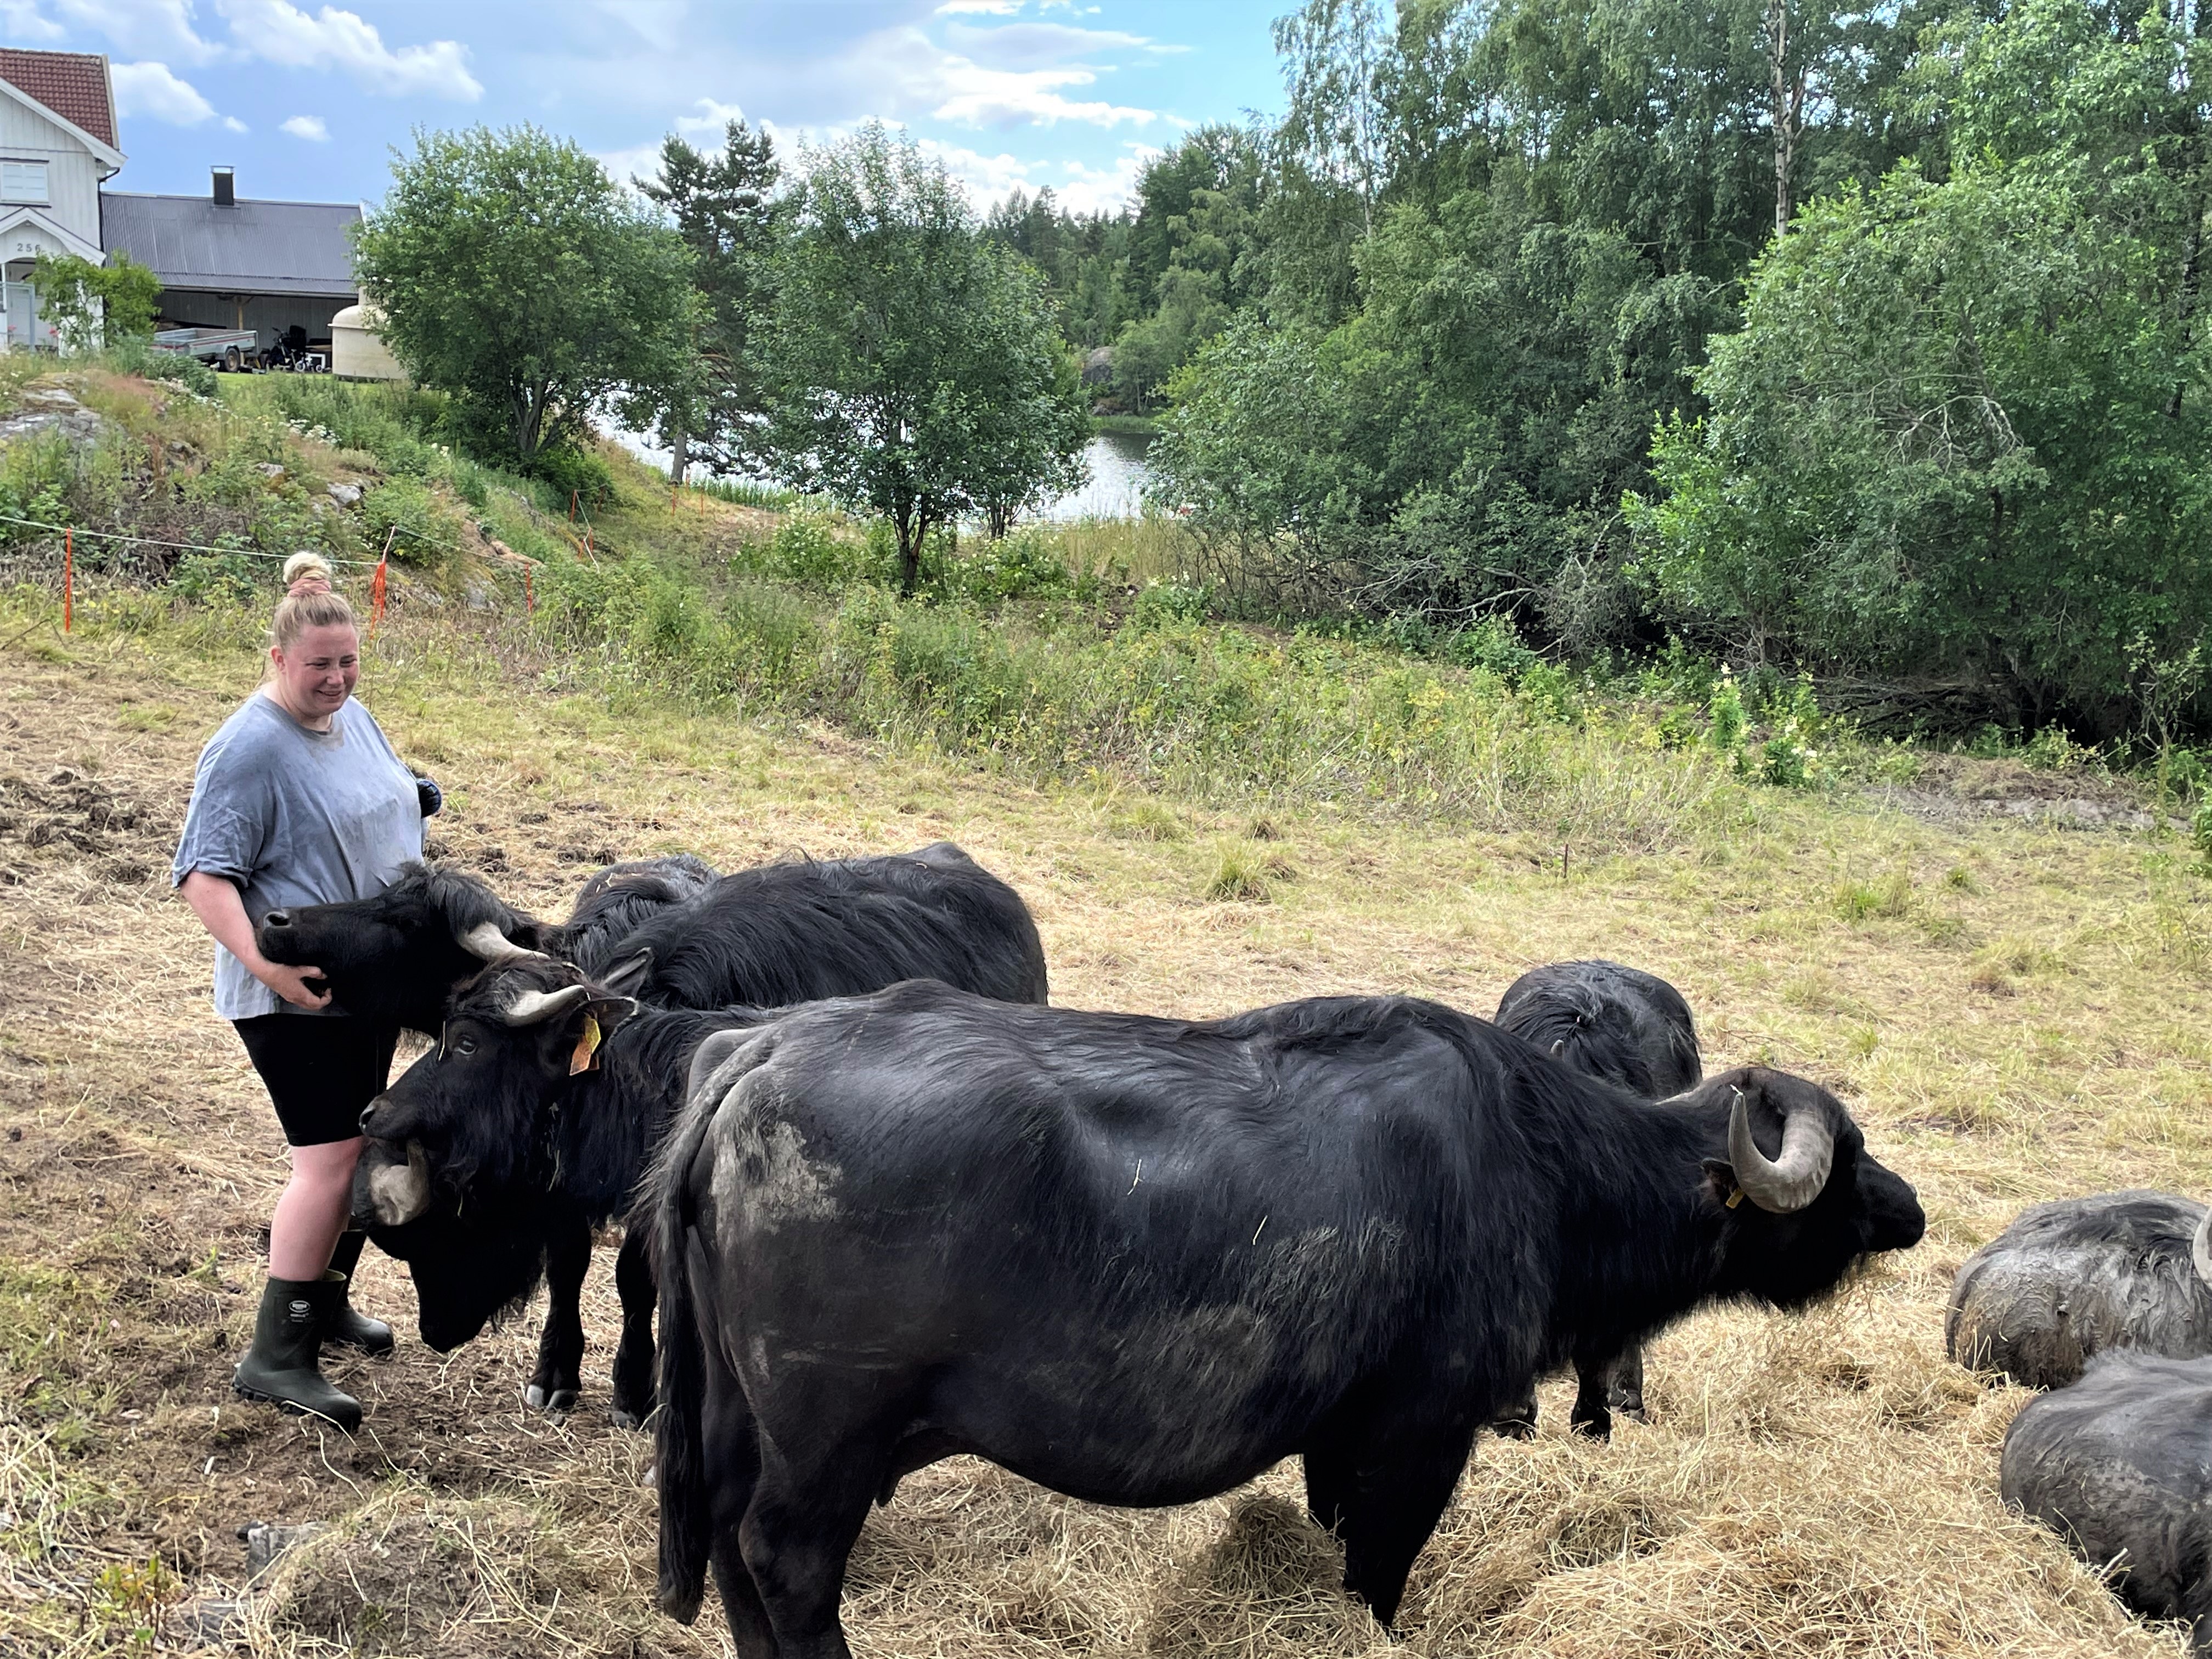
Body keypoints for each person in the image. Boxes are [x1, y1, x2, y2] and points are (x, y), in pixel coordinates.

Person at [171, 550, 439, 1430]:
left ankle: (323, 1308)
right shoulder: (247, 748)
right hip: (292, 989)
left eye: (348, 661)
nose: (335, 678)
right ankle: (276, 1354)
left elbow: (381, 788)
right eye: (318, 665)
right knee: (327, 1164)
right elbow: (205, 879)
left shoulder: (353, 716)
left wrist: (415, 796)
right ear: (278, 660)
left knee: (363, 1150)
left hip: (364, 981)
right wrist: (270, 968)